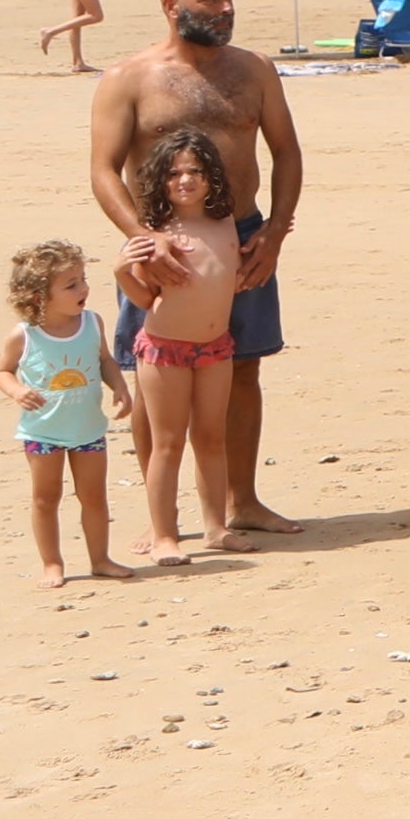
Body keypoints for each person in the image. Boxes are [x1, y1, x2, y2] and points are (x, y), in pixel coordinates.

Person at [86, 0, 304, 542]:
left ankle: (242, 501)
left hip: (244, 236)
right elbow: (103, 170)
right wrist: (144, 236)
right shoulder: (127, 78)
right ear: (171, 6)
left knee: (243, 366)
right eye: (211, 0)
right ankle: (164, 521)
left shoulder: (255, 69)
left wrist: (276, 232)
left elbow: (286, 151)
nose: (227, 9)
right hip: (161, 246)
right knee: (149, 369)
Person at [113, 128, 256, 559]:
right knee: (168, 442)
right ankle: (165, 534)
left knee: (212, 438)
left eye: (196, 170)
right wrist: (122, 272)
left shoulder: (225, 221)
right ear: (160, 181)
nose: (186, 180)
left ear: (212, 176)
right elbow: (144, 298)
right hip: (164, 349)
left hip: (216, 348)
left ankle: (216, 526)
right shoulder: (158, 232)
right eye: (174, 173)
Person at [0, 241, 131, 585]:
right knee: (46, 498)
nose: (83, 288)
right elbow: (3, 371)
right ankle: (52, 563)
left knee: (94, 497)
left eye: (83, 279)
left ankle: (100, 559)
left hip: (88, 429)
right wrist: (17, 390)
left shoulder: (92, 323)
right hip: (42, 433)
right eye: (71, 284)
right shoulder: (24, 335)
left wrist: (119, 386)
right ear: (39, 296)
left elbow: (104, 360)